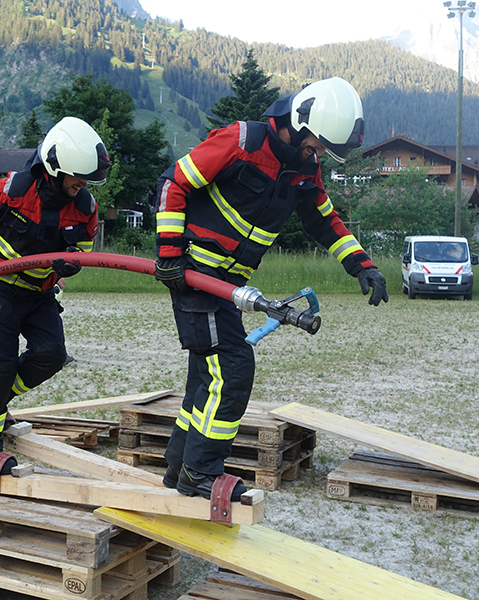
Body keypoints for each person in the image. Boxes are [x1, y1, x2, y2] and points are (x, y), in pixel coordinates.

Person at [154, 77, 388, 502]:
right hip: (196, 275)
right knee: (233, 368)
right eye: (316, 146)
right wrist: (169, 252)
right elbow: (175, 183)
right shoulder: (240, 141)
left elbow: (324, 219)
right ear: (298, 123)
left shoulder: (304, 167)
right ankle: (200, 472)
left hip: (227, 285)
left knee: (206, 376)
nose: (318, 155)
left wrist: (362, 265)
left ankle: (179, 468)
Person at [0, 116, 109, 476]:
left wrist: (71, 263)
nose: (83, 185)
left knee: (51, 355)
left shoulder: (84, 206)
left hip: (39, 294)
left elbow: (83, 246)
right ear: (54, 168)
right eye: (77, 177)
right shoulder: (9, 191)